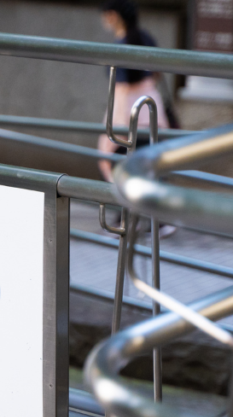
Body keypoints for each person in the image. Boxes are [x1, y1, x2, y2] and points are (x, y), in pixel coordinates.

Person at [97, 0, 176, 238]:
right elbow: (157, 73)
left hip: (128, 112)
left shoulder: (121, 45)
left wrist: (113, 127)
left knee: (118, 163)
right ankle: (154, 219)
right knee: (146, 166)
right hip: (151, 110)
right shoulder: (145, 37)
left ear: (113, 16)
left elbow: (122, 88)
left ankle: (129, 220)